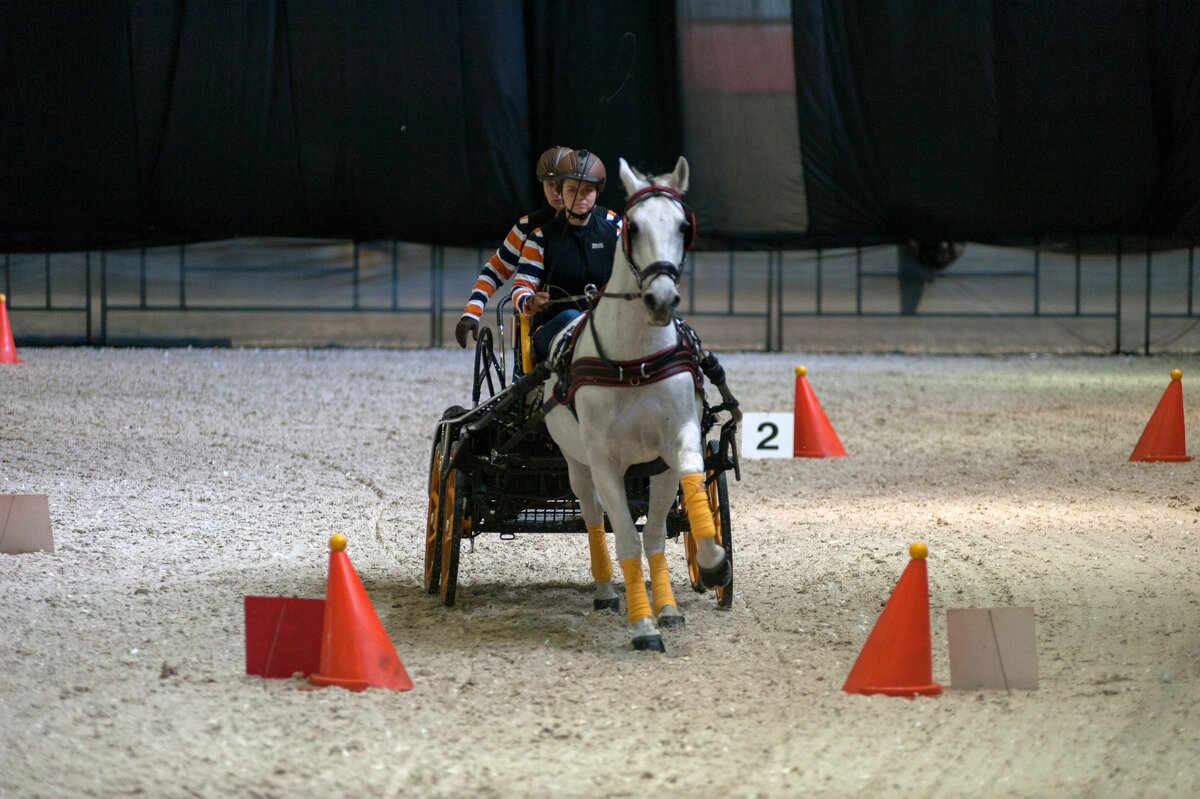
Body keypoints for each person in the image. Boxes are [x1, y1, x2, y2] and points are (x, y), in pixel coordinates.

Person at [454, 146, 573, 348]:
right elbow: (495, 270)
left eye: (563, 185)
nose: (556, 192)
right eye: (549, 184)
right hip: (542, 318)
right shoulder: (527, 227)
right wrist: (472, 311)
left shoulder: (609, 223)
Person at [511, 149, 622, 360]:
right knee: (574, 318)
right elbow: (520, 287)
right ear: (561, 192)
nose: (580, 198)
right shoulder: (540, 238)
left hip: (607, 327)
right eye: (572, 190)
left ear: (598, 192)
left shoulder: (615, 234)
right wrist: (530, 301)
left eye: (587, 190)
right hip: (554, 331)